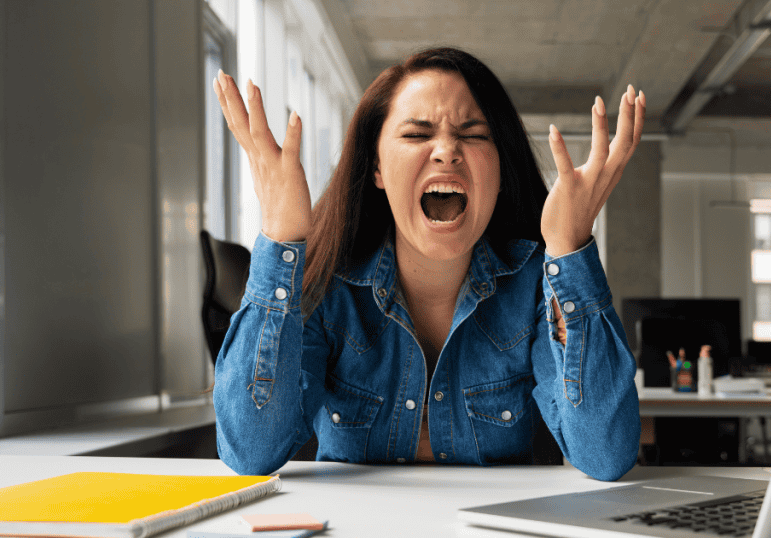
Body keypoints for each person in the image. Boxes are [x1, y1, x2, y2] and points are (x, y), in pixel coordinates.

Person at [211, 47, 644, 481]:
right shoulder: (331, 283)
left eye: (474, 134)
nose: (447, 151)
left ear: (499, 168)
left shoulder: (535, 284)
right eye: (417, 135)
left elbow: (604, 453)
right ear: (376, 167)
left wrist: (570, 249)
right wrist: (280, 236)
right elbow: (251, 451)